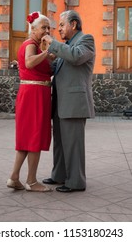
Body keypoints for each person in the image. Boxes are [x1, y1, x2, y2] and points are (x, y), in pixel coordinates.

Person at [42, 10, 96, 192]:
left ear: (73, 24)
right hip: (61, 102)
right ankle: (59, 175)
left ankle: (76, 182)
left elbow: (75, 56)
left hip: (74, 103)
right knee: (60, 142)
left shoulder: (86, 40)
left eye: (62, 25)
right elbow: (56, 67)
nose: (59, 29)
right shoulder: (67, 45)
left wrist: (53, 44)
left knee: (73, 144)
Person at [7, 11, 54, 192]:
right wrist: (48, 52)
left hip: (32, 92)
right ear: (33, 29)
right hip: (34, 93)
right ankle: (32, 181)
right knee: (34, 136)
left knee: (27, 138)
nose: (47, 30)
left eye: (48, 27)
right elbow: (29, 62)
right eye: (43, 27)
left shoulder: (37, 45)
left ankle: (14, 177)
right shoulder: (30, 44)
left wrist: (48, 53)